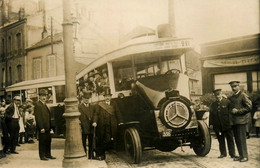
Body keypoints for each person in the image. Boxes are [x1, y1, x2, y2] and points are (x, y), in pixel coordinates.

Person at [94, 88, 123, 160]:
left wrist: (120, 121)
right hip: (102, 125)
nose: (107, 97)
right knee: (101, 139)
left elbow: (117, 113)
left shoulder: (114, 104)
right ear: (104, 97)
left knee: (108, 140)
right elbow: (96, 114)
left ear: (110, 97)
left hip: (111, 125)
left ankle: (105, 151)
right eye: (106, 96)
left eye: (109, 96)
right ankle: (101, 154)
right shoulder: (100, 104)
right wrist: (95, 121)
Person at [228, 81, 252, 162]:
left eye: (235, 86)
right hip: (234, 122)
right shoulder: (231, 97)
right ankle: (241, 155)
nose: (233, 88)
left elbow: (249, 107)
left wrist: (238, 111)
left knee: (242, 139)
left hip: (241, 121)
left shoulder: (243, 95)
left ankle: (245, 156)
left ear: (239, 86)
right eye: (232, 87)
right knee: (237, 139)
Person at [209, 89, 236, 158]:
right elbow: (211, 115)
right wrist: (211, 124)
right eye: (216, 95)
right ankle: (223, 153)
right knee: (221, 140)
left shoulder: (227, 102)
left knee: (230, 140)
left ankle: (232, 154)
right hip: (218, 126)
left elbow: (231, 113)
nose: (217, 96)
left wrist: (231, 123)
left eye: (218, 94)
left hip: (227, 125)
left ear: (221, 94)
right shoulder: (213, 105)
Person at [34, 89, 56, 161]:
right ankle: (42, 156)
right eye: (42, 95)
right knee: (42, 141)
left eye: (45, 95)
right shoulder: (38, 105)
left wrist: (50, 127)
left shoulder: (44, 104)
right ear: (39, 96)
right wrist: (41, 127)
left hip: (47, 127)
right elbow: (38, 117)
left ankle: (48, 154)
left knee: (48, 141)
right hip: (43, 127)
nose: (44, 97)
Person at [78, 91, 97, 159]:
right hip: (83, 127)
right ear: (82, 99)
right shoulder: (79, 107)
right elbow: (78, 117)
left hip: (91, 126)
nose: (86, 100)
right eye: (85, 98)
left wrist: (95, 121)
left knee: (91, 141)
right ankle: (84, 155)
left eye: (88, 98)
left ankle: (91, 155)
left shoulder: (92, 106)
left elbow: (95, 114)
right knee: (83, 142)